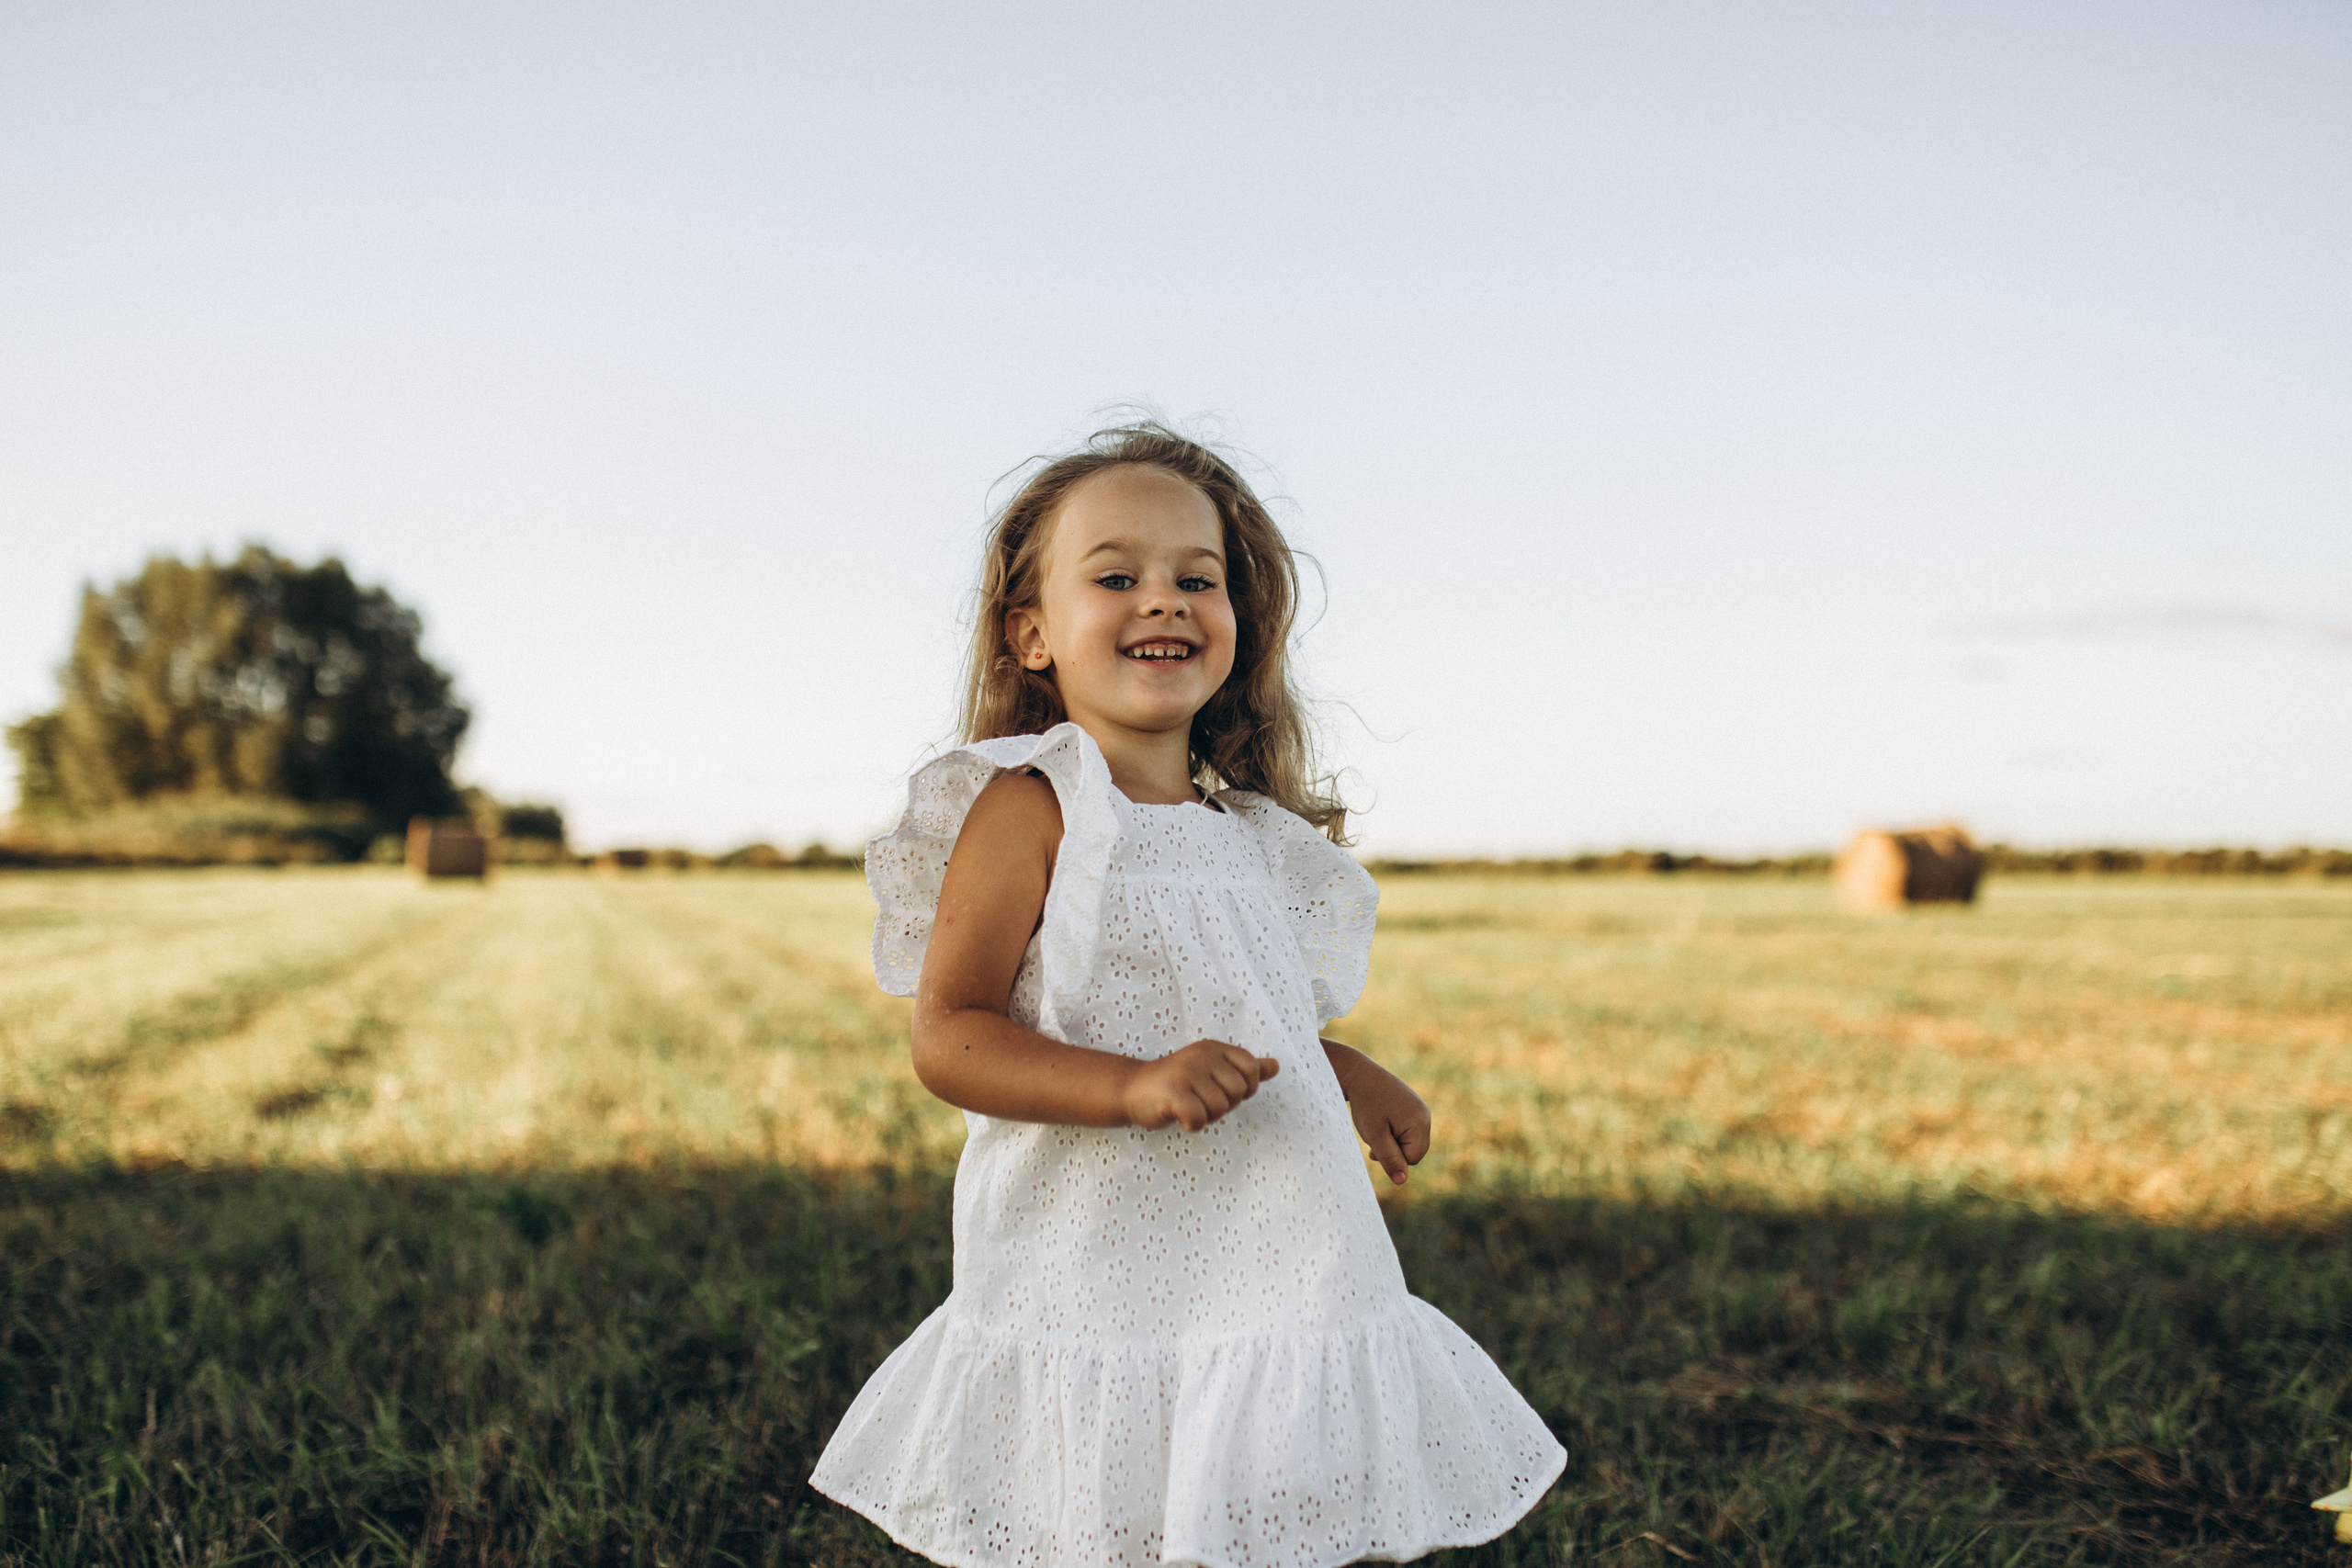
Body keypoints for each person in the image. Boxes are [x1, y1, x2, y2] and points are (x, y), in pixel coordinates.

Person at [809, 423, 1564, 1568]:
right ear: (1030, 633)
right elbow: (951, 1036)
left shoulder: (1248, 836)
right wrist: (1130, 1085)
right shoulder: (1032, 806)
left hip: (1281, 1236)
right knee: (1116, 1511)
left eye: (1196, 580)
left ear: (1237, 620)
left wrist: (1341, 1072)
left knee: (1280, 1491)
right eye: (1115, 578)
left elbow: (1253, 1015)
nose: (1162, 599)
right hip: (1097, 1253)